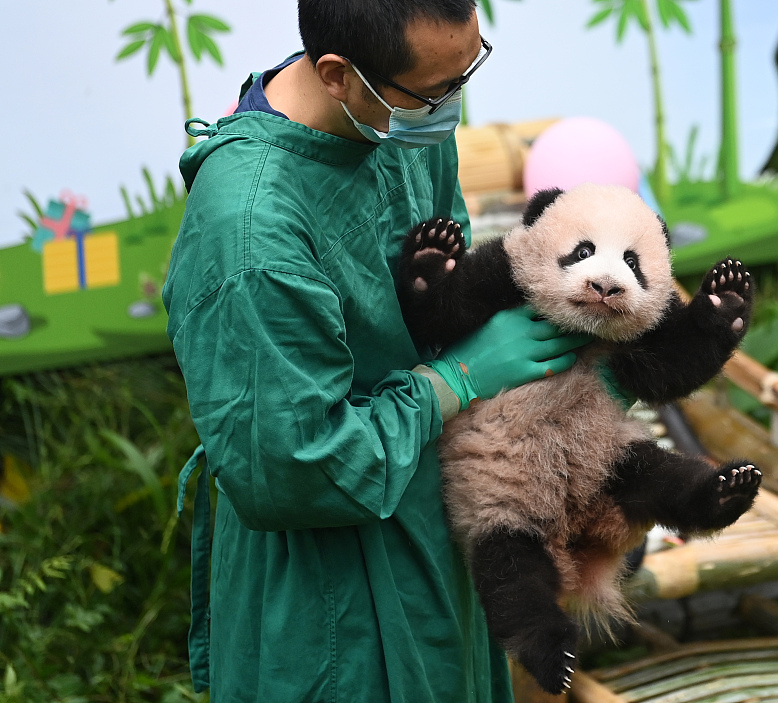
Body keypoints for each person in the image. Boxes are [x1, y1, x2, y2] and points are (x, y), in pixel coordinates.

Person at [162, 1, 590, 701]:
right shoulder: (249, 234)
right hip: (329, 587)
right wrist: (456, 377)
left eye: (466, 73)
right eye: (435, 91)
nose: (450, 107)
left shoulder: (401, 115)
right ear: (337, 74)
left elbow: (444, 265)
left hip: (433, 513)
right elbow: (294, 466)